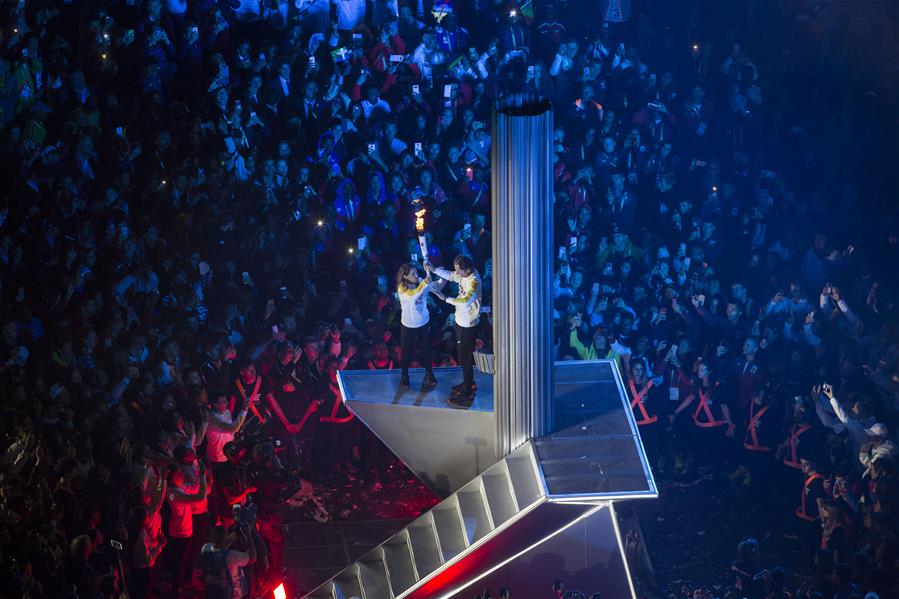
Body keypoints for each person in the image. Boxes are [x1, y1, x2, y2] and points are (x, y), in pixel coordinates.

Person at [426, 255, 482, 404]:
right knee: (462, 357)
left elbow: (464, 301)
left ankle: (467, 391)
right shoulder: (463, 274)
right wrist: (434, 269)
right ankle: (468, 383)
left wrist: (445, 299)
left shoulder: (474, 281)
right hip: (460, 321)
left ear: (468, 269)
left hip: (468, 325)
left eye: (459, 270)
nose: (456, 273)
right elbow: (450, 275)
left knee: (466, 358)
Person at [396, 262, 438, 388]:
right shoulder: (402, 288)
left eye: (416, 272)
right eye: (413, 274)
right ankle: (404, 375)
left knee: (427, 349)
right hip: (409, 324)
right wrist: (425, 282)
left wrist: (440, 277)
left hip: (424, 322)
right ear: (405, 276)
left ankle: (429, 374)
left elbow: (433, 287)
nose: (416, 275)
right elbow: (413, 295)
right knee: (406, 351)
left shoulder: (420, 280)